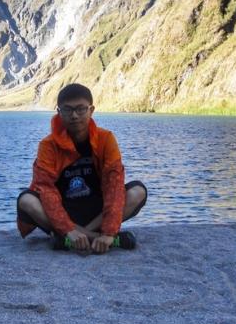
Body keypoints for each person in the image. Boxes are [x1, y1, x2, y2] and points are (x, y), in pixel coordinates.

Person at [16, 83, 147, 253]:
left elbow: (113, 185)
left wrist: (108, 230)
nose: (75, 115)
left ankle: (72, 238)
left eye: (81, 109)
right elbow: (46, 190)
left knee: (138, 191)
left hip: (98, 211)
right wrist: (69, 229)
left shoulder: (106, 139)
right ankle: (93, 238)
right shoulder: (48, 145)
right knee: (26, 200)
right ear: (58, 111)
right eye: (68, 109)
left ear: (91, 110)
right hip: (63, 211)